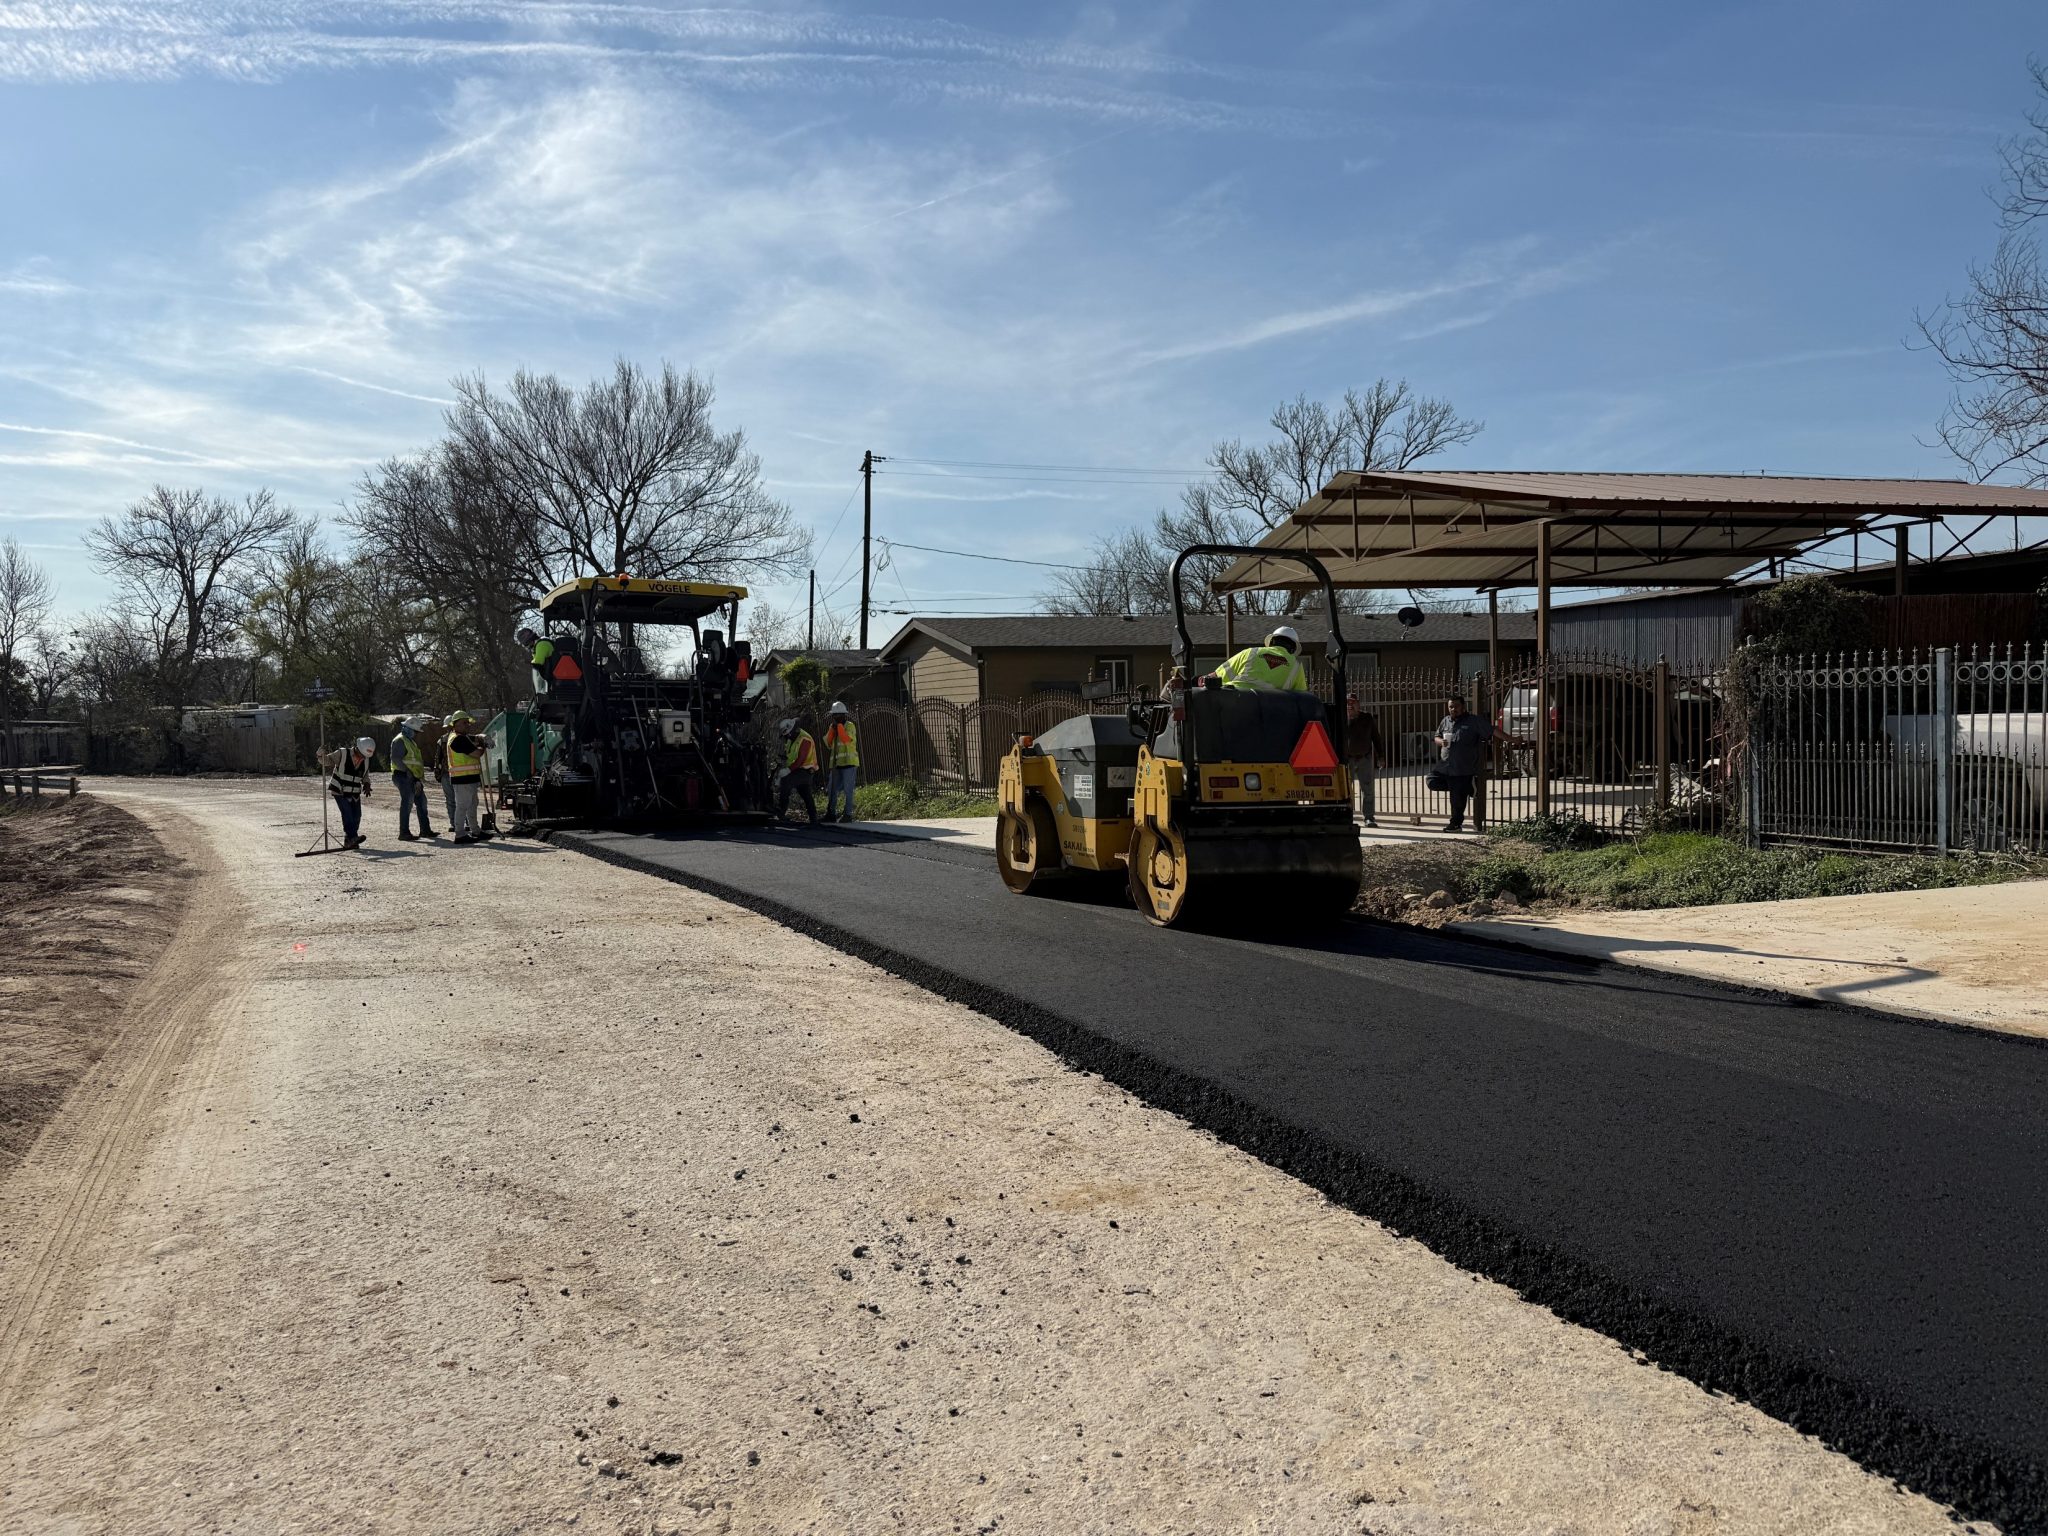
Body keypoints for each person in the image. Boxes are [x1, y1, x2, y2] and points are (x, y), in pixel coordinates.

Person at [1433, 693, 1494, 833]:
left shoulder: (1473, 721)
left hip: (1462, 767)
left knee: (1456, 799)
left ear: (1463, 707)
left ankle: (1455, 824)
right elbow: (1436, 736)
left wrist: (1513, 740)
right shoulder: (1446, 721)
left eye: (1456, 706)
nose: (1453, 709)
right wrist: (1441, 742)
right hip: (1445, 766)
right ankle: (1468, 787)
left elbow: (1492, 731)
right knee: (1431, 780)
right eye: (1451, 707)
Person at [317, 735, 377, 849]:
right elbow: (327, 761)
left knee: (357, 816)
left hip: (354, 792)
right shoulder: (342, 753)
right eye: (362, 755)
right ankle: (353, 837)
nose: (363, 758)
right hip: (339, 789)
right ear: (357, 748)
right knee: (347, 813)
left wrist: (367, 784)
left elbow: (365, 775)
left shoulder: (366, 759)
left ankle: (349, 841)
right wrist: (320, 755)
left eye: (366, 756)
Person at [1214, 625, 1308, 692]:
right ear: (1292, 649)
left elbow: (1215, 676)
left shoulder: (1250, 653)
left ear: (1271, 641)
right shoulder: (1296, 666)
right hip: (1270, 713)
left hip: (1236, 705)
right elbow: (1301, 695)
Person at [389, 716, 437, 841]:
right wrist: (408, 772)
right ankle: (404, 832)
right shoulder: (400, 740)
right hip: (403, 776)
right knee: (407, 803)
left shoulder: (410, 741)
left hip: (413, 778)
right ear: (408, 728)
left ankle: (425, 830)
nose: (416, 734)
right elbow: (396, 759)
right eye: (415, 731)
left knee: (421, 802)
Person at [446, 711, 486, 843]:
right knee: (463, 806)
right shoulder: (458, 739)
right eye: (464, 723)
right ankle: (460, 834)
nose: (467, 725)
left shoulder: (462, 737)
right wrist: (483, 745)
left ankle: (475, 831)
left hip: (469, 778)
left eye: (468, 722)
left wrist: (480, 738)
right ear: (455, 724)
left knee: (472, 805)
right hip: (462, 778)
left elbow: (472, 738)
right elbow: (477, 754)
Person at [1344, 692, 1381, 828]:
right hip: (1347, 760)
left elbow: (1376, 738)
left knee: (1368, 790)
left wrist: (1381, 756)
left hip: (1365, 758)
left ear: (1358, 704)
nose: (1350, 706)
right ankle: (1347, 817)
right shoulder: (1342, 719)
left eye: (1353, 703)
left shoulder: (1367, 718)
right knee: (1346, 791)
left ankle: (1369, 817)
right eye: (1348, 703)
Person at [821, 701, 860, 823]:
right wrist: (832, 730)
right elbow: (828, 743)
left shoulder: (849, 726)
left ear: (843, 715)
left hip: (849, 764)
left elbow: (846, 740)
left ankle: (848, 814)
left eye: (837, 715)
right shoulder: (833, 727)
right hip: (837, 765)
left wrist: (839, 727)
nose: (835, 718)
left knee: (848, 791)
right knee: (832, 790)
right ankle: (831, 813)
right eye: (834, 715)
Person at [777, 717, 820, 824]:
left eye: (786, 734)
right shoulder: (793, 739)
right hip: (799, 770)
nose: (786, 737)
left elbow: (801, 759)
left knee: (786, 783)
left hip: (805, 770)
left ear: (791, 731)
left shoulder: (804, 739)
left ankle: (781, 813)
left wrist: (788, 770)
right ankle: (813, 818)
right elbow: (791, 756)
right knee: (805, 793)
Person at [434, 713, 459, 832]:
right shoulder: (442, 740)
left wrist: (437, 772)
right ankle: (457, 823)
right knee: (456, 800)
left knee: (454, 800)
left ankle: (456, 823)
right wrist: (437, 772)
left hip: (452, 773)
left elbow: (437, 759)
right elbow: (437, 758)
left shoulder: (443, 740)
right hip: (451, 773)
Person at [519, 626, 555, 694]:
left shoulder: (541, 644)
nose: (528, 647)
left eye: (527, 644)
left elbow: (538, 663)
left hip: (552, 677)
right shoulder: (540, 644)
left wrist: (527, 663)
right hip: (552, 675)